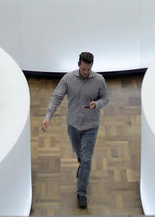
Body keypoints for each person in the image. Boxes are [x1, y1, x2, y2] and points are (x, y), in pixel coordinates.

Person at [41, 52, 109, 209]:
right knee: (79, 154)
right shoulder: (68, 79)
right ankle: (82, 164)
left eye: (88, 69)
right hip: (72, 125)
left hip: (91, 126)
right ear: (79, 64)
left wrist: (96, 104)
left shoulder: (99, 80)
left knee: (87, 159)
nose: (86, 72)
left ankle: (81, 192)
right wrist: (47, 117)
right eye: (84, 68)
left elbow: (106, 98)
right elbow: (56, 97)